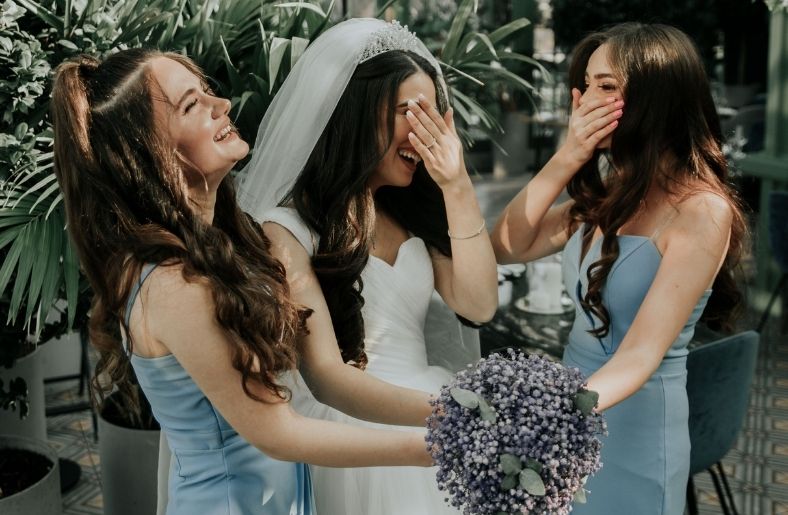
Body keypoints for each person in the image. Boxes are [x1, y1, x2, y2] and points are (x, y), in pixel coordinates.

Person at [51, 47, 439, 515]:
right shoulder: (175, 284)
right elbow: (278, 432)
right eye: (192, 105)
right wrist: (436, 444)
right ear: (148, 153)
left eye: (207, 92)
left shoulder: (218, 247)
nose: (222, 105)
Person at [238, 18, 499, 515]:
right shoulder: (289, 229)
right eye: (408, 111)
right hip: (357, 429)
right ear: (359, 112)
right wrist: (455, 414)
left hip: (433, 402)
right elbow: (326, 377)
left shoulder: (412, 211)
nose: (423, 131)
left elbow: (480, 305)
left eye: (432, 114)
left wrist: (457, 186)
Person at [491, 23, 747, 514]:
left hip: (637, 427)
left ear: (656, 97)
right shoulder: (611, 193)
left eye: (605, 86)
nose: (586, 101)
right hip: (575, 411)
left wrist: (546, 415)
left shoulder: (702, 211)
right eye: (585, 85)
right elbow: (505, 246)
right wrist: (568, 156)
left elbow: (639, 356)